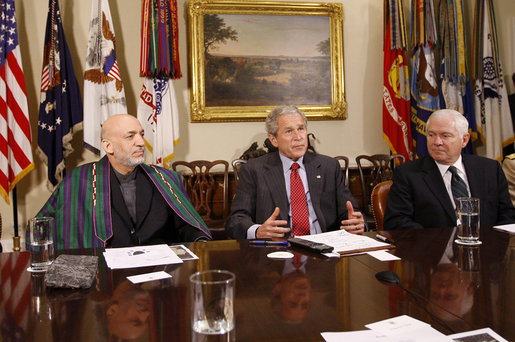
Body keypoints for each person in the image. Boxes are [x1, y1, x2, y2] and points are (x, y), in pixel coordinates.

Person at [32, 114, 211, 249]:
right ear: (108, 146)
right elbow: (40, 227)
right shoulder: (78, 181)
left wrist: (200, 241)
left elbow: (188, 226)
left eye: (141, 134)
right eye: (130, 136)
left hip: (159, 275)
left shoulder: (166, 179)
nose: (140, 142)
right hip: (104, 280)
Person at [225, 105, 364, 239]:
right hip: (278, 250)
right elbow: (236, 220)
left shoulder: (328, 166)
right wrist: (258, 231)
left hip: (324, 248)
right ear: (273, 140)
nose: (298, 137)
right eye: (289, 131)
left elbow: (350, 212)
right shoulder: (254, 170)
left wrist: (354, 223)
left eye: (301, 129)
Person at [384, 109, 515, 230]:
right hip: (434, 251)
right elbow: (396, 222)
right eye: (431, 135)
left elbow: (507, 215)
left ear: (464, 140)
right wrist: (444, 241)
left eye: (445, 136)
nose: (437, 142)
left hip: (487, 248)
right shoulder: (408, 174)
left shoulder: (490, 169)